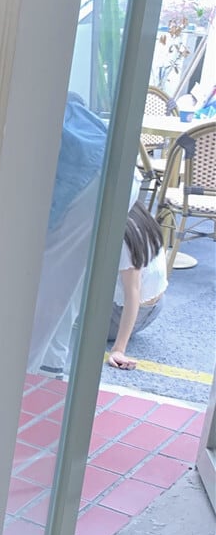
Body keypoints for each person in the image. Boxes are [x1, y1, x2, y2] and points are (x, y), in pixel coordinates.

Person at [27, 92, 108, 375]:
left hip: (83, 176)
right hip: (103, 158)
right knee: (63, 284)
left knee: (43, 290)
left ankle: (23, 378)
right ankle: (48, 367)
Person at [106, 199, 168, 370]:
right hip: (155, 306)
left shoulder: (122, 235)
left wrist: (118, 349)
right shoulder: (137, 213)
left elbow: (133, 293)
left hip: (121, 316)